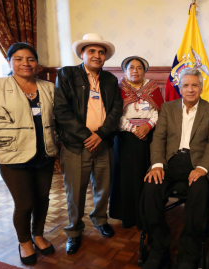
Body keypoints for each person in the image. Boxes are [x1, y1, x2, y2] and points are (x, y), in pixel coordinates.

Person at [0, 43, 58, 265]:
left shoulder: (49, 87)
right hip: (13, 158)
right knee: (24, 203)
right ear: (9, 62)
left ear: (37, 63)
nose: (25, 63)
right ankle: (24, 242)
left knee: (42, 199)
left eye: (30, 59)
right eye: (18, 58)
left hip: (44, 154)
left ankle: (38, 235)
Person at [140, 68, 209, 269]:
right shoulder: (168, 108)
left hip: (196, 164)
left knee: (201, 191)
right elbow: (158, 138)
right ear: (179, 87)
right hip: (170, 162)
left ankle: (188, 253)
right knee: (150, 188)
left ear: (201, 88)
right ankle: (159, 247)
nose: (190, 89)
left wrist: (203, 168)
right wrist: (157, 164)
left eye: (195, 85)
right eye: (186, 85)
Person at [54, 33, 123, 255]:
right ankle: (74, 231)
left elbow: (116, 111)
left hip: (103, 143)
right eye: (91, 51)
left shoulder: (111, 80)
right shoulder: (67, 74)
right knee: (75, 192)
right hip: (76, 145)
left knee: (103, 188)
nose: (97, 55)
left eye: (101, 52)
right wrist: (86, 136)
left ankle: (101, 220)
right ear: (82, 53)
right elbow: (62, 111)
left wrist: (101, 134)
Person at [109, 55, 163, 230]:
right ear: (125, 71)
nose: (135, 71)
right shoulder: (117, 89)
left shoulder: (152, 88)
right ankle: (128, 216)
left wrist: (148, 126)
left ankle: (145, 216)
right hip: (125, 138)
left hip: (148, 137)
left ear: (144, 71)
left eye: (139, 67)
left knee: (144, 175)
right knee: (126, 177)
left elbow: (157, 111)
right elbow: (115, 115)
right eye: (131, 67)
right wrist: (133, 129)